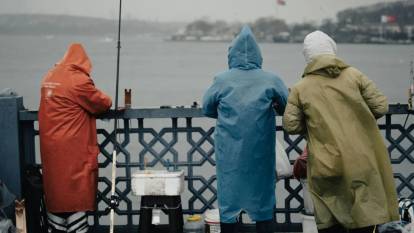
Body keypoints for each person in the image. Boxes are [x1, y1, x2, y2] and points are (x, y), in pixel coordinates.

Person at [282, 30, 399, 233]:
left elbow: (291, 126)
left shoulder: (301, 88)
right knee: (364, 215)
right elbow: (381, 107)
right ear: (332, 49)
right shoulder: (355, 75)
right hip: (362, 158)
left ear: (307, 56)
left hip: (326, 162)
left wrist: (315, 125)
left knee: (330, 216)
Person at [202, 25, 288, 233]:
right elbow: (286, 106)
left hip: (230, 152)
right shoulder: (272, 79)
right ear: (259, 54)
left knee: (229, 197)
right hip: (260, 151)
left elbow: (207, 108)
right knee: (262, 198)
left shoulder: (221, 80)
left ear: (232, 54)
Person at [39, 43, 112, 233]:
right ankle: (76, 227)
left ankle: (55, 226)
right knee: (76, 193)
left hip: (51, 146)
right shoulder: (78, 80)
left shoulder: (49, 76)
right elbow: (102, 103)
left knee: (56, 192)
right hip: (73, 148)